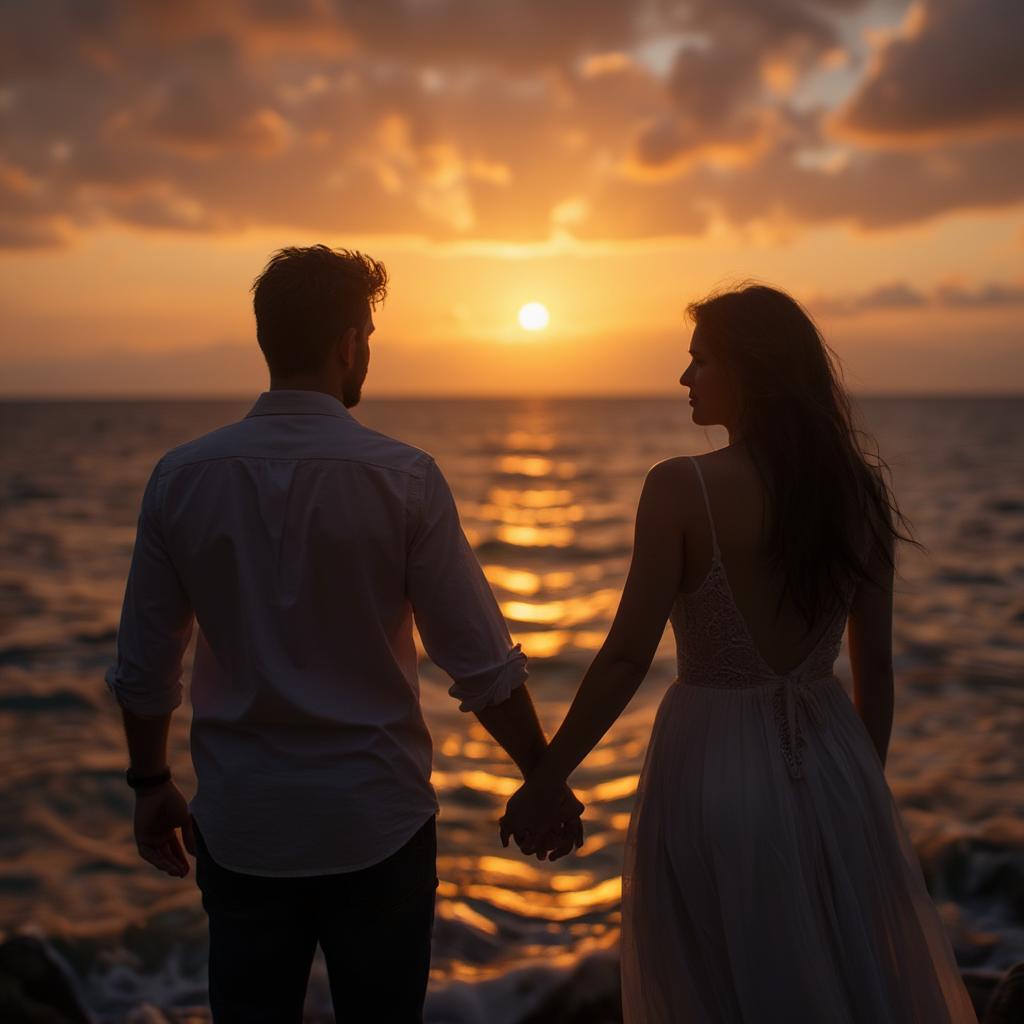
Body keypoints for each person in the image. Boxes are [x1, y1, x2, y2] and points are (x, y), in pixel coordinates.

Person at [105, 244, 583, 1024]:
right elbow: (480, 663)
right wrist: (541, 774)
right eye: (369, 335)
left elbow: (146, 667)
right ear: (348, 343)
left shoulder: (182, 477)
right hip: (377, 823)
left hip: (244, 824)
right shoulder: (404, 477)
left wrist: (149, 783)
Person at [499, 284, 978, 1021]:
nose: (685, 378)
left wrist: (546, 777)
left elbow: (628, 658)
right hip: (835, 767)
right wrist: (854, 794)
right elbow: (874, 668)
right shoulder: (858, 492)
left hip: (711, 768)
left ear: (751, 370)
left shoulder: (680, 487)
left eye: (700, 361)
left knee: (716, 987)